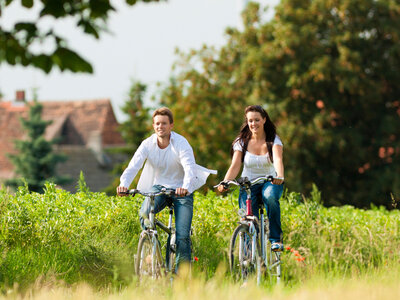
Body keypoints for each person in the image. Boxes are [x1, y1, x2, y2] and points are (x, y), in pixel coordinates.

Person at [117, 107, 216, 268]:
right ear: (153, 125)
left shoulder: (181, 143)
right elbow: (133, 166)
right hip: (159, 187)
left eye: (164, 123)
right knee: (144, 214)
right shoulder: (147, 144)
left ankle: (180, 277)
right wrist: (124, 185)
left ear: (171, 126)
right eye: (157, 123)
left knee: (182, 235)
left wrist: (185, 187)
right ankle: (152, 251)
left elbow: (189, 167)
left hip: (181, 189)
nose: (160, 127)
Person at [217, 105, 285, 251]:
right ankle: (248, 257)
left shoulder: (274, 140)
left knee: (270, 197)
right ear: (247, 122)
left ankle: (275, 240)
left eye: (257, 120)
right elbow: (235, 165)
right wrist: (225, 181)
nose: (253, 124)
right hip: (248, 184)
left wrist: (279, 176)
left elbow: (278, 160)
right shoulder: (241, 141)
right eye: (250, 121)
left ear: (264, 120)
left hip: (270, 181)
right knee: (247, 218)